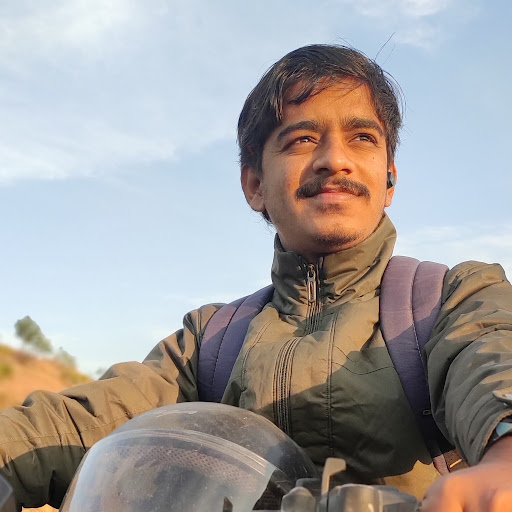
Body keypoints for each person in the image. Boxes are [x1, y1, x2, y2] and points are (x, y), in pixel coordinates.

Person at [1, 44, 512, 511]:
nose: (336, 160)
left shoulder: (454, 297)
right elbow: (81, 422)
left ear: (389, 180)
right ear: (254, 185)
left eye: (362, 138)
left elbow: (492, 357)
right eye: (302, 139)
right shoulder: (210, 340)